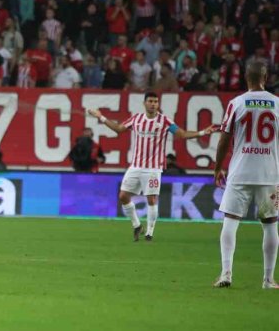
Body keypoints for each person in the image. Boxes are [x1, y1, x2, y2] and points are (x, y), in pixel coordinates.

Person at [87, 93, 215, 241]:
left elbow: (182, 134)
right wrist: (101, 117)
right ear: (144, 103)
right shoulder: (137, 119)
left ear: (158, 104)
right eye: (150, 101)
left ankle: (149, 232)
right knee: (123, 196)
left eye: (155, 101)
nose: (153, 104)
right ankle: (136, 225)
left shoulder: (165, 121)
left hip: (153, 168)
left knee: (151, 199)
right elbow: (118, 129)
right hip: (136, 166)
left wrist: (203, 132)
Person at [212, 62, 279, 289]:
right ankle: (268, 279)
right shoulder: (277, 104)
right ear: (265, 77)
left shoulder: (237, 103)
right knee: (270, 224)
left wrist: (217, 167)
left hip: (240, 171)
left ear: (245, 77)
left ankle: (226, 273)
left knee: (230, 221)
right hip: (270, 173)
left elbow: (224, 139)